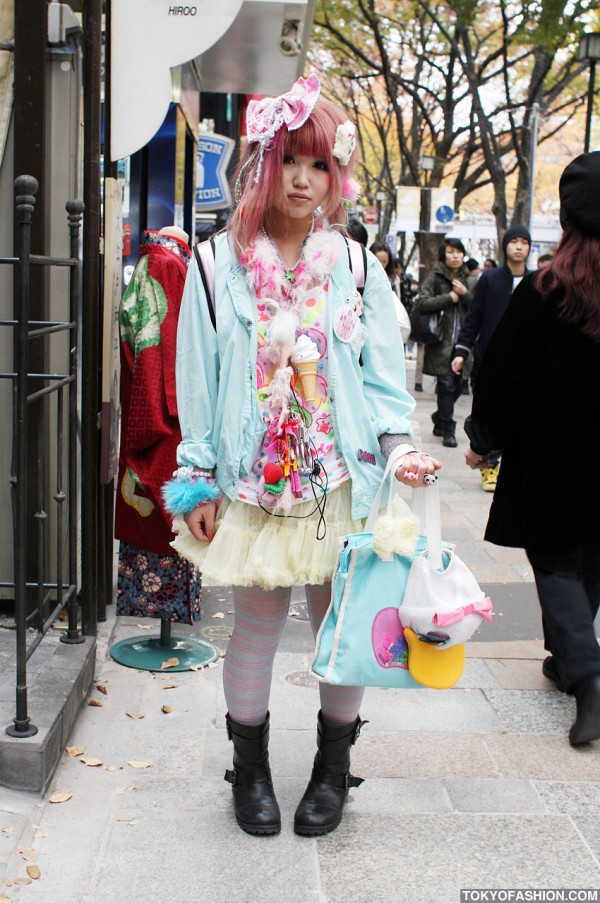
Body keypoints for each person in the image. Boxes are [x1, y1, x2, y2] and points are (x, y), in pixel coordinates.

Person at [162, 75, 440, 837]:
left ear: (335, 176)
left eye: (318, 165)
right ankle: (248, 768)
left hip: (341, 480)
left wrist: (403, 449)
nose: (302, 180)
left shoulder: (354, 266)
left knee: (341, 625)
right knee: (254, 625)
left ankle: (331, 766)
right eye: (288, 160)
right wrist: (197, 473)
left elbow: (383, 379)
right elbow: (197, 377)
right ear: (259, 164)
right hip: (254, 483)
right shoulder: (216, 268)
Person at [464, 151, 600, 747]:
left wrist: (484, 438)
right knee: (591, 556)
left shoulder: (547, 288)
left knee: (555, 561)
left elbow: (504, 376)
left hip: (555, 455)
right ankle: (568, 660)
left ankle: (590, 679)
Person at [115, 225, 202, 624]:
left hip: (151, 410)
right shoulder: (168, 267)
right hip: (165, 419)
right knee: (172, 518)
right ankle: (168, 614)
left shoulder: (153, 262)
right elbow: (164, 354)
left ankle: (157, 607)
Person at [451, 225, 531, 491]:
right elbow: (474, 318)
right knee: (491, 413)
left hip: (526, 363)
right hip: (490, 360)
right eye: (514, 241)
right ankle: (490, 467)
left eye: (524, 242)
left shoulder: (538, 281)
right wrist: (462, 350)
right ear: (505, 245)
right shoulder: (491, 279)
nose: (519, 246)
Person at [414, 238, 473, 447]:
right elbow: (422, 302)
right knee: (446, 386)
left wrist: (465, 295)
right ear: (443, 254)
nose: (455, 256)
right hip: (442, 344)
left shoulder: (471, 280)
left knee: (458, 386)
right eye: (450, 251)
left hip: (464, 345)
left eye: (459, 251)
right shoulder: (436, 277)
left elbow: (479, 307)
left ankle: (440, 418)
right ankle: (449, 429)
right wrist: (449, 297)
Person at [369, 239, 411, 343]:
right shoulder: (364, 277)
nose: (381, 265)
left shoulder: (391, 281)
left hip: (385, 330)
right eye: (378, 260)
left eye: (384, 262)